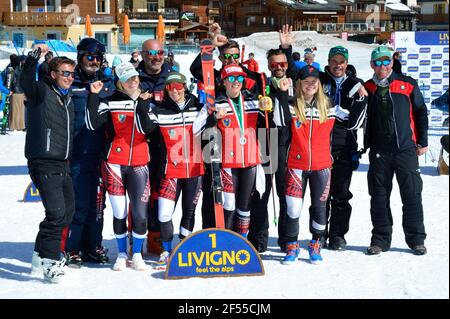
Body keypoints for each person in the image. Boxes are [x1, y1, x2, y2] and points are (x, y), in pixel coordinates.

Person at [280, 25, 368, 251]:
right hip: (317, 147)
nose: (338, 65)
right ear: (328, 62)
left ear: (346, 64)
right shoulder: (318, 78)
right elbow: (295, 74)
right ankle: (319, 235)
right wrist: (287, 47)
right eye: (334, 61)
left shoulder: (355, 84)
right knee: (319, 198)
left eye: (342, 62)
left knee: (340, 194)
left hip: (343, 145)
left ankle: (337, 235)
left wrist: (361, 99)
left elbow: (354, 120)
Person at [190, 23, 264, 230]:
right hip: (216, 145)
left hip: (247, 148)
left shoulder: (248, 77)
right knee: (214, 195)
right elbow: (197, 69)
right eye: (227, 57)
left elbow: (265, 103)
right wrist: (210, 45)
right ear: (221, 58)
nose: (231, 61)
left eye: (234, 57)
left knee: (249, 199)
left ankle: (252, 239)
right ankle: (213, 234)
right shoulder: (213, 75)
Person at [86, 62, 152, 271]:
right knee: (120, 211)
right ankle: (122, 253)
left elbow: (146, 129)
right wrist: (93, 96)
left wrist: (140, 105)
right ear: (120, 83)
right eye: (128, 78)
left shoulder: (148, 99)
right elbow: (91, 124)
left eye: (135, 77)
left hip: (140, 162)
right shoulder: (110, 101)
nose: (133, 81)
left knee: (140, 214)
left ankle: (138, 254)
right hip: (114, 162)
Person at [136, 72, 206, 268]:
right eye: (170, 87)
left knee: (189, 212)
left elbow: (211, 127)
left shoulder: (198, 108)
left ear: (185, 86)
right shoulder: (161, 111)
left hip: (195, 169)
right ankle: (167, 251)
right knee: (164, 214)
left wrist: (215, 113)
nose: (175, 91)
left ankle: (184, 249)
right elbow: (146, 128)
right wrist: (142, 105)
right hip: (170, 171)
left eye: (178, 86)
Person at [363, 46, 428, 256]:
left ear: (391, 62)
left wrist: (422, 141)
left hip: (405, 149)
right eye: (378, 62)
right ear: (372, 64)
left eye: (386, 61)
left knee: (411, 194)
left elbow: (420, 112)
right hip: (380, 151)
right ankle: (380, 240)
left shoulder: (407, 84)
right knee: (379, 196)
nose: (382, 66)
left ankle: (416, 239)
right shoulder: (368, 87)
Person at [22, 45, 76, 283]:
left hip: (63, 163)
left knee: (67, 212)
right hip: (43, 162)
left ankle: (38, 254)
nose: (69, 77)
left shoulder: (67, 99)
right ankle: (51, 263)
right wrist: (33, 58)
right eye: (65, 73)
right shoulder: (41, 92)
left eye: (71, 74)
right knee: (56, 214)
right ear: (53, 74)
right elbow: (25, 79)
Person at [199, 64, 269, 234]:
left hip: (251, 160)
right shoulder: (216, 103)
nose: (236, 82)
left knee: (245, 206)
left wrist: (268, 107)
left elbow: (268, 123)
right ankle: (228, 240)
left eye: (239, 78)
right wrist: (214, 118)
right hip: (229, 163)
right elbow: (200, 130)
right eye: (231, 79)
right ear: (224, 82)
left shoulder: (253, 101)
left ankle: (242, 241)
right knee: (229, 204)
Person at [63, 38, 114, 268]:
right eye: (89, 57)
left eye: (98, 58)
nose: (94, 62)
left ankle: (93, 245)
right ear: (80, 57)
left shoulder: (108, 84)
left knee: (98, 205)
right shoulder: (70, 83)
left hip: (102, 155)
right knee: (78, 204)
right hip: (77, 154)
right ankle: (72, 248)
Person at [278, 65, 335, 264]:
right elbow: (279, 119)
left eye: (314, 81)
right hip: (296, 165)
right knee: (293, 208)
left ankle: (315, 244)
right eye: (306, 81)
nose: (310, 85)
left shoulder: (330, 107)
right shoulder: (292, 106)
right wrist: (282, 94)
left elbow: (354, 123)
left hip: (322, 166)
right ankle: (291, 245)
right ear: (299, 84)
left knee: (319, 207)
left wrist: (360, 96)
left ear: (319, 84)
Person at [248, 48, 294, 253]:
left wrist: (287, 49)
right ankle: (259, 239)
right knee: (261, 193)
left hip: (287, 143)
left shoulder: (294, 82)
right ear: (268, 66)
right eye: (274, 64)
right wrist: (260, 108)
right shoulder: (262, 82)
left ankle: (287, 239)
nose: (278, 68)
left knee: (287, 193)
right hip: (266, 142)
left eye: (282, 64)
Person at [137, 39, 174, 255]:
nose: (156, 56)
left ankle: (159, 238)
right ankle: (140, 238)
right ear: (143, 54)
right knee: (140, 195)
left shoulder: (171, 76)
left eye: (159, 52)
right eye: (151, 52)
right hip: (140, 144)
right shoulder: (133, 78)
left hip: (165, 145)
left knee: (162, 194)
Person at [8, 54, 26, 131]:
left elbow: (10, 82)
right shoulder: (21, 69)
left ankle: (13, 126)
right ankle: (20, 126)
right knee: (20, 110)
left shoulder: (11, 69)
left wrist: (8, 90)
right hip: (21, 91)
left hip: (14, 91)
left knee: (14, 110)